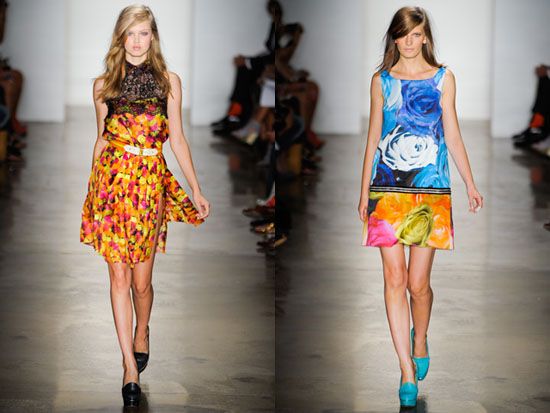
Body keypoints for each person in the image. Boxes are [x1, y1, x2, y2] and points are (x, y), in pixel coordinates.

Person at [79, 5, 210, 407]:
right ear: (120, 38)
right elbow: (102, 138)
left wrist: (196, 189)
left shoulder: (169, 82)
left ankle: (142, 331)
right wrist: (91, 194)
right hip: (112, 183)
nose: (137, 41)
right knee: (118, 278)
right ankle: (128, 366)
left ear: (153, 37)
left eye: (144, 33)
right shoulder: (103, 85)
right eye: (130, 33)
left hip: (150, 183)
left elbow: (178, 139)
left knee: (141, 282)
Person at [357, 7, 483, 408]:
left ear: (425, 37)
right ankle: (405, 371)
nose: (409, 42)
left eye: (416, 34)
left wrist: (470, 183)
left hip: (430, 191)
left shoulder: (444, 78)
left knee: (417, 285)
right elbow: (373, 137)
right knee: (393, 279)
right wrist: (363, 192)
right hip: (387, 189)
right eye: (403, 35)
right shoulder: (381, 80)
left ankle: (421, 338)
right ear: (394, 38)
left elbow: (453, 135)